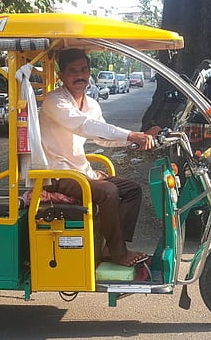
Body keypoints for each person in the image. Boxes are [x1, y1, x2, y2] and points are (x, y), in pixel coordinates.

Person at [39, 48, 159, 266]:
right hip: (56, 174)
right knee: (108, 191)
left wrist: (137, 139)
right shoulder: (55, 101)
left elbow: (102, 138)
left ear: (89, 73)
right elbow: (84, 126)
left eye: (84, 70)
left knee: (132, 189)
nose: (80, 75)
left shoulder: (91, 104)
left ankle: (110, 247)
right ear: (61, 75)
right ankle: (119, 253)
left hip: (80, 173)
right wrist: (131, 135)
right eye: (73, 71)